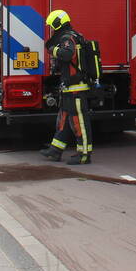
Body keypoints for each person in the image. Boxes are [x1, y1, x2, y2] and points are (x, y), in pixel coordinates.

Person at [40, 10, 93, 165]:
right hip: (69, 88)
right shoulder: (73, 36)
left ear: (58, 23)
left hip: (76, 88)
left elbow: (67, 54)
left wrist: (53, 50)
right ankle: (55, 150)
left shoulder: (68, 38)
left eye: (52, 26)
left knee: (79, 122)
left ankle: (84, 155)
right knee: (63, 120)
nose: (52, 29)